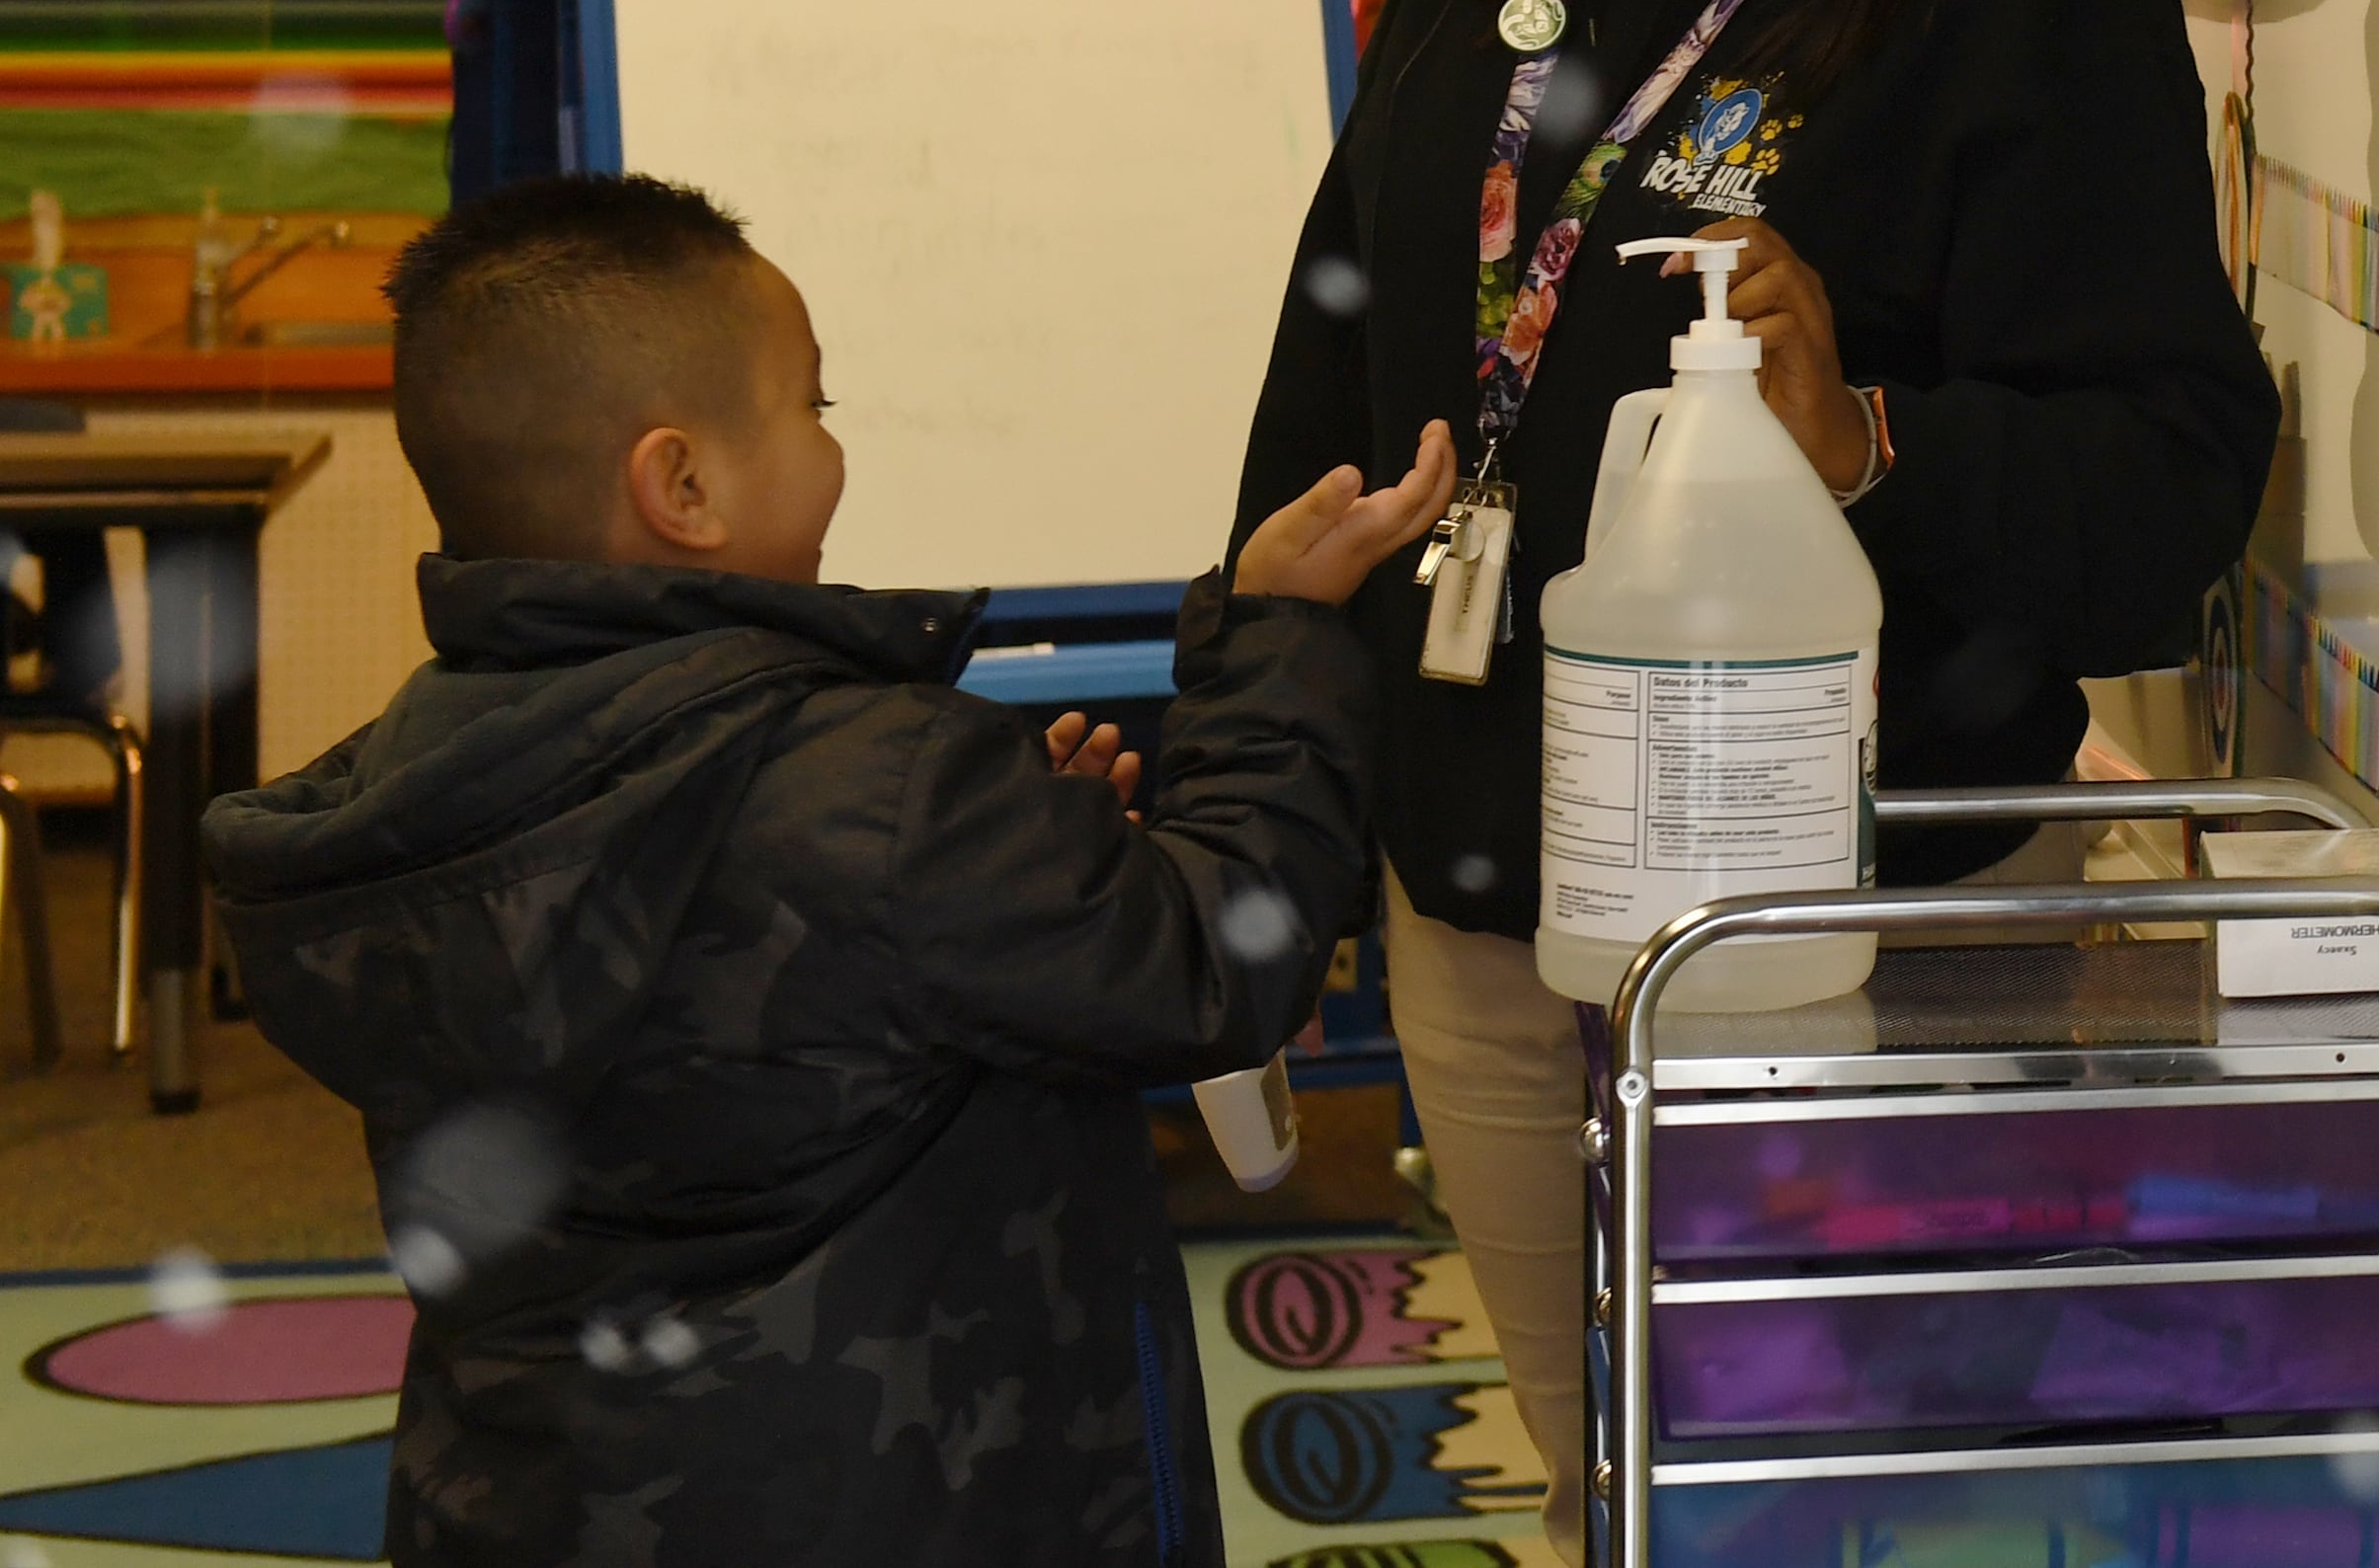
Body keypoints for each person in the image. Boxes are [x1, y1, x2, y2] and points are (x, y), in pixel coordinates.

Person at [1230, 0, 2272, 1550]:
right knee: (1613, 1488)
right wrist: (1258, 698)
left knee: (1833, 1498)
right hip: (1488, 882)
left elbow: (2170, 466)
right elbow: (1351, 312)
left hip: (1846, 920)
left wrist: (1876, 432)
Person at [201, 172, 1455, 1567]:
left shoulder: (425, 778)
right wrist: (1276, 643)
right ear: (679, 483)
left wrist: (1032, 873)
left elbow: (769, 998)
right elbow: (1219, 957)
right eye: (815, 405)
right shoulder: (884, 784)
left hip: (547, 1503)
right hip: (911, 1501)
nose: (833, 447)